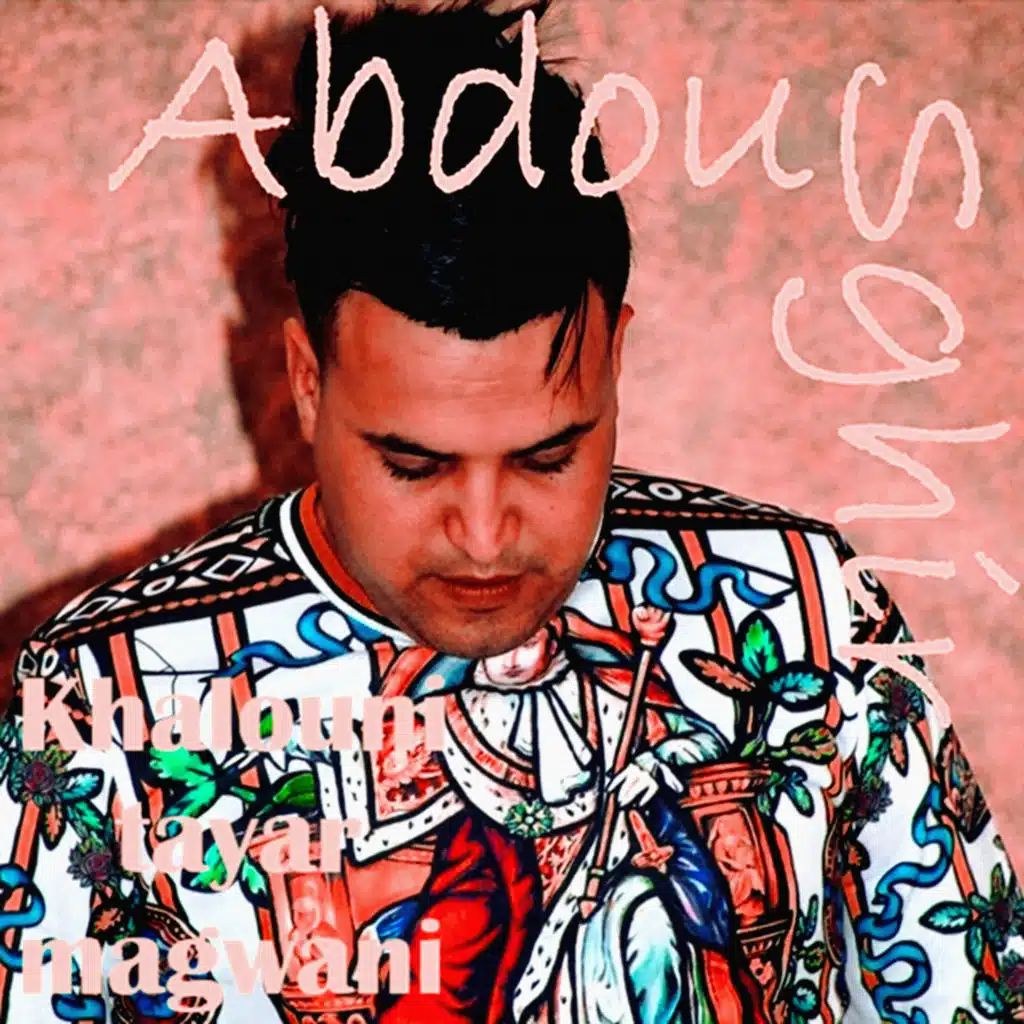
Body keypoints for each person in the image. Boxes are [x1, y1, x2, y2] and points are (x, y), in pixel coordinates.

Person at [1, 4, 1021, 1024]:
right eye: (413, 465)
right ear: (307, 383)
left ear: (616, 357)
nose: (486, 537)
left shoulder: (809, 610)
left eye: (548, 457)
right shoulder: (97, 706)